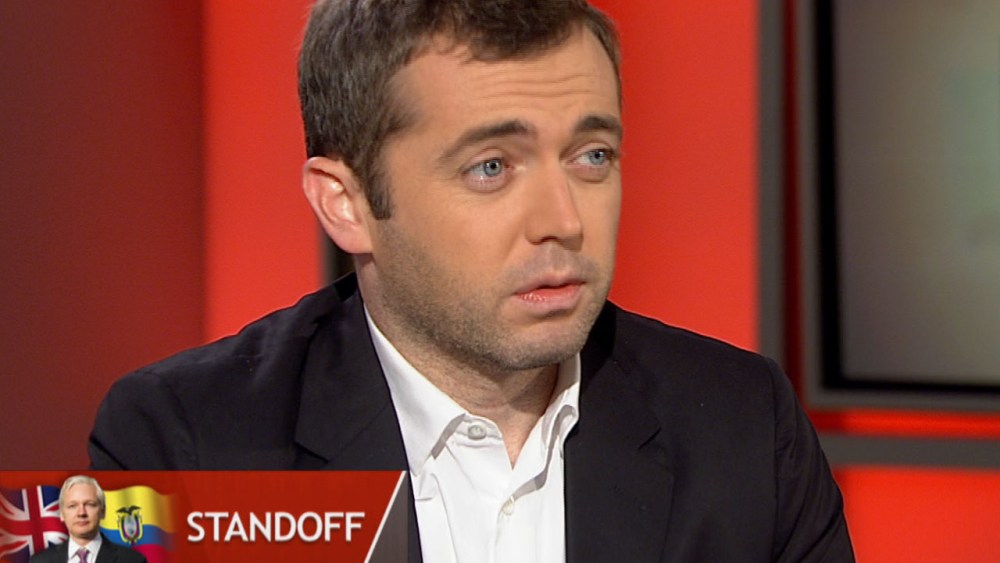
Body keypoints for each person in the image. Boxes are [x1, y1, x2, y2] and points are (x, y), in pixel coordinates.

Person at [89, 0, 854, 561]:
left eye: (591, 156)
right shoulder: (182, 443)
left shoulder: (745, 429)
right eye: (491, 167)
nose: (563, 220)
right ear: (346, 203)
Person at [30, 476, 147, 563]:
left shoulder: (132, 560)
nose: (81, 513)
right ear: (61, 514)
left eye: (90, 504)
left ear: (103, 511)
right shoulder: (40, 561)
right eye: (72, 506)